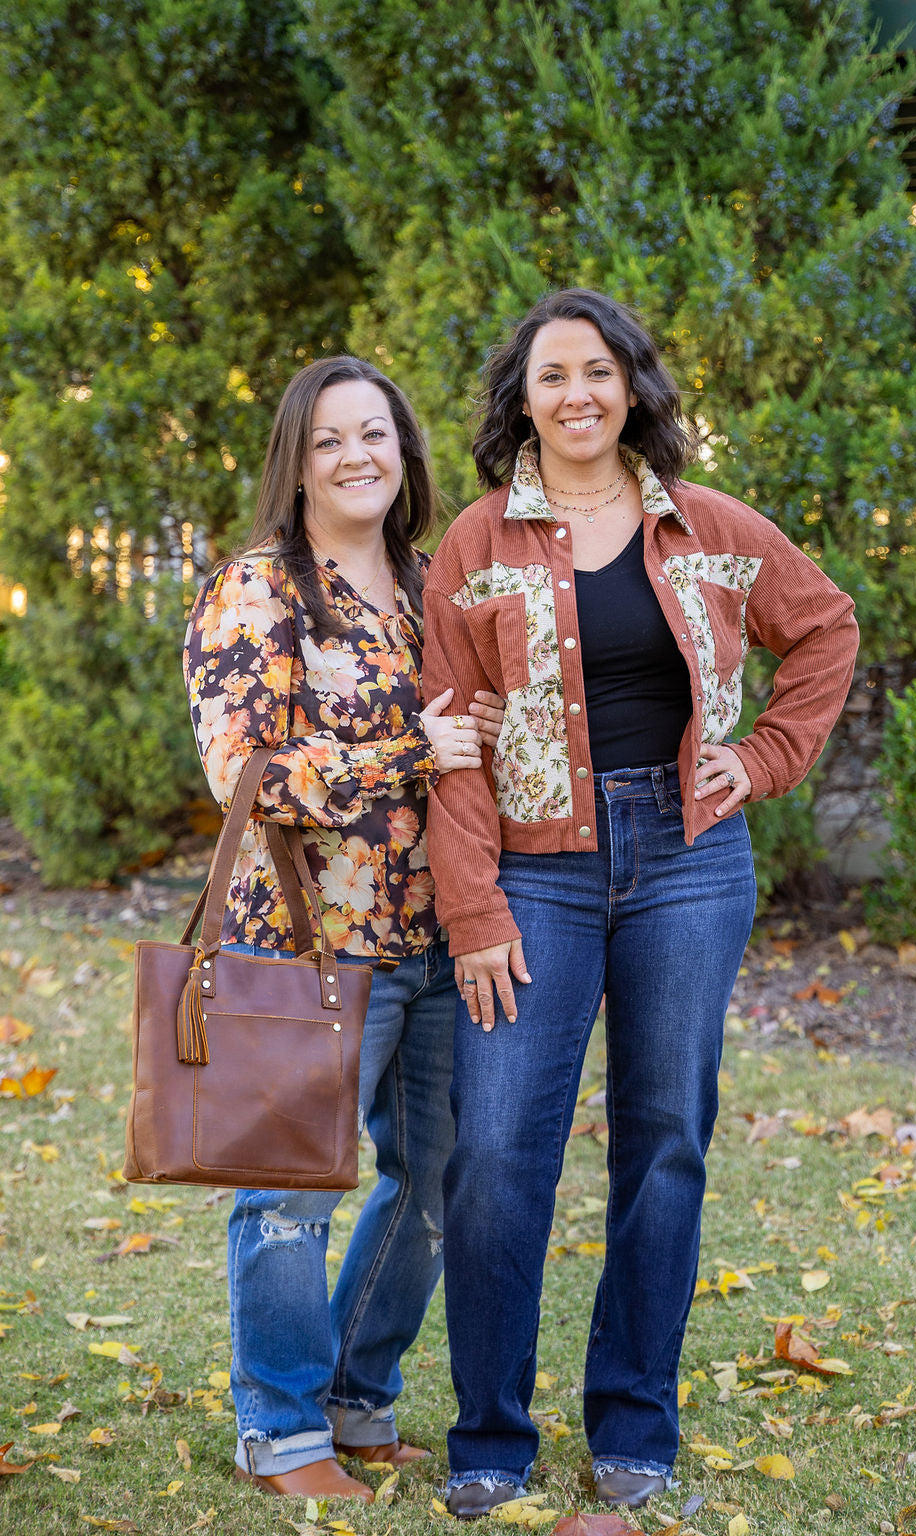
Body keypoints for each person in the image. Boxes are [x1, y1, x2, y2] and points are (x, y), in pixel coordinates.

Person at [422, 289, 859, 1517]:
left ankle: (632, 1426)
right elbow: (452, 742)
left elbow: (823, 628)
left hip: (687, 862)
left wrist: (763, 758)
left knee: (664, 1143)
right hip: (530, 871)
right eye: (552, 374)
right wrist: (473, 912)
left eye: (599, 372)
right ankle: (490, 1437)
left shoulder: (709, 527)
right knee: (499, 1153)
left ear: (632, 389)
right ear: (522, 398)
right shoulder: (475, 544)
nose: (577, 394)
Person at [184, 355, 504, 1502]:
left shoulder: (435, 584)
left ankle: (355, 1399)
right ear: (296, 460)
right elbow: (242, 774)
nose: (356, 455)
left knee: (438, 1178)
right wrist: (410, 752)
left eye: (375, 434)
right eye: (329, 440)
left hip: (436, 939)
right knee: (289, 1190)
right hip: (307, 942)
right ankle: (278, 1432)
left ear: (405, 451)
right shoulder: (258, 589)